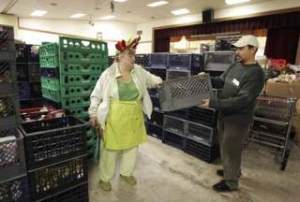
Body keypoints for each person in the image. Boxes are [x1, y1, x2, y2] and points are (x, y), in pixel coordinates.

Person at [88, 36, 163, 192]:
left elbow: (153, 80)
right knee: (110, 149)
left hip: (134, 116)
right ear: (119, 56)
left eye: (134, 55)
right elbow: (96, 95)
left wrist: (161, 81)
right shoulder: (108, 74)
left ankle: (126, 173)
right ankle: (105, 178)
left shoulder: (139, 72)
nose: (133, 58)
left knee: (131, 147)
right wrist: (93, 114)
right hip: (114, 117)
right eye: (130, 55)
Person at [201, 35, 265, 192]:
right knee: (225, 145)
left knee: (232, 148)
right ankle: (232, 170)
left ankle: (231, 182)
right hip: (224, 114)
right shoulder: (235, 66)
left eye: (241, 49)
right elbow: (221, 81)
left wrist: (213, 103)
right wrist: (206, 79)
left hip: (238, 119)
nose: (237, 52)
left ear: (253, 49)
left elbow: (242, 100)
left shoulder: (256, 74)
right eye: (237, 48)